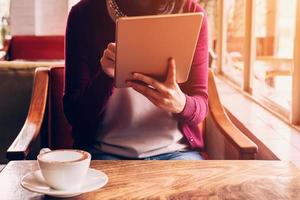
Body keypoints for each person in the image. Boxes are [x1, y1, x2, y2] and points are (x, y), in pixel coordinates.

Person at [63, 0, 209, 160]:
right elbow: (75, 115)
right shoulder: (83, 15)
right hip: (104, 152)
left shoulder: (191, 12)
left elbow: (201, 106)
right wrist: (105, 76)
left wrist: (182, 104)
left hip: (176, 151)